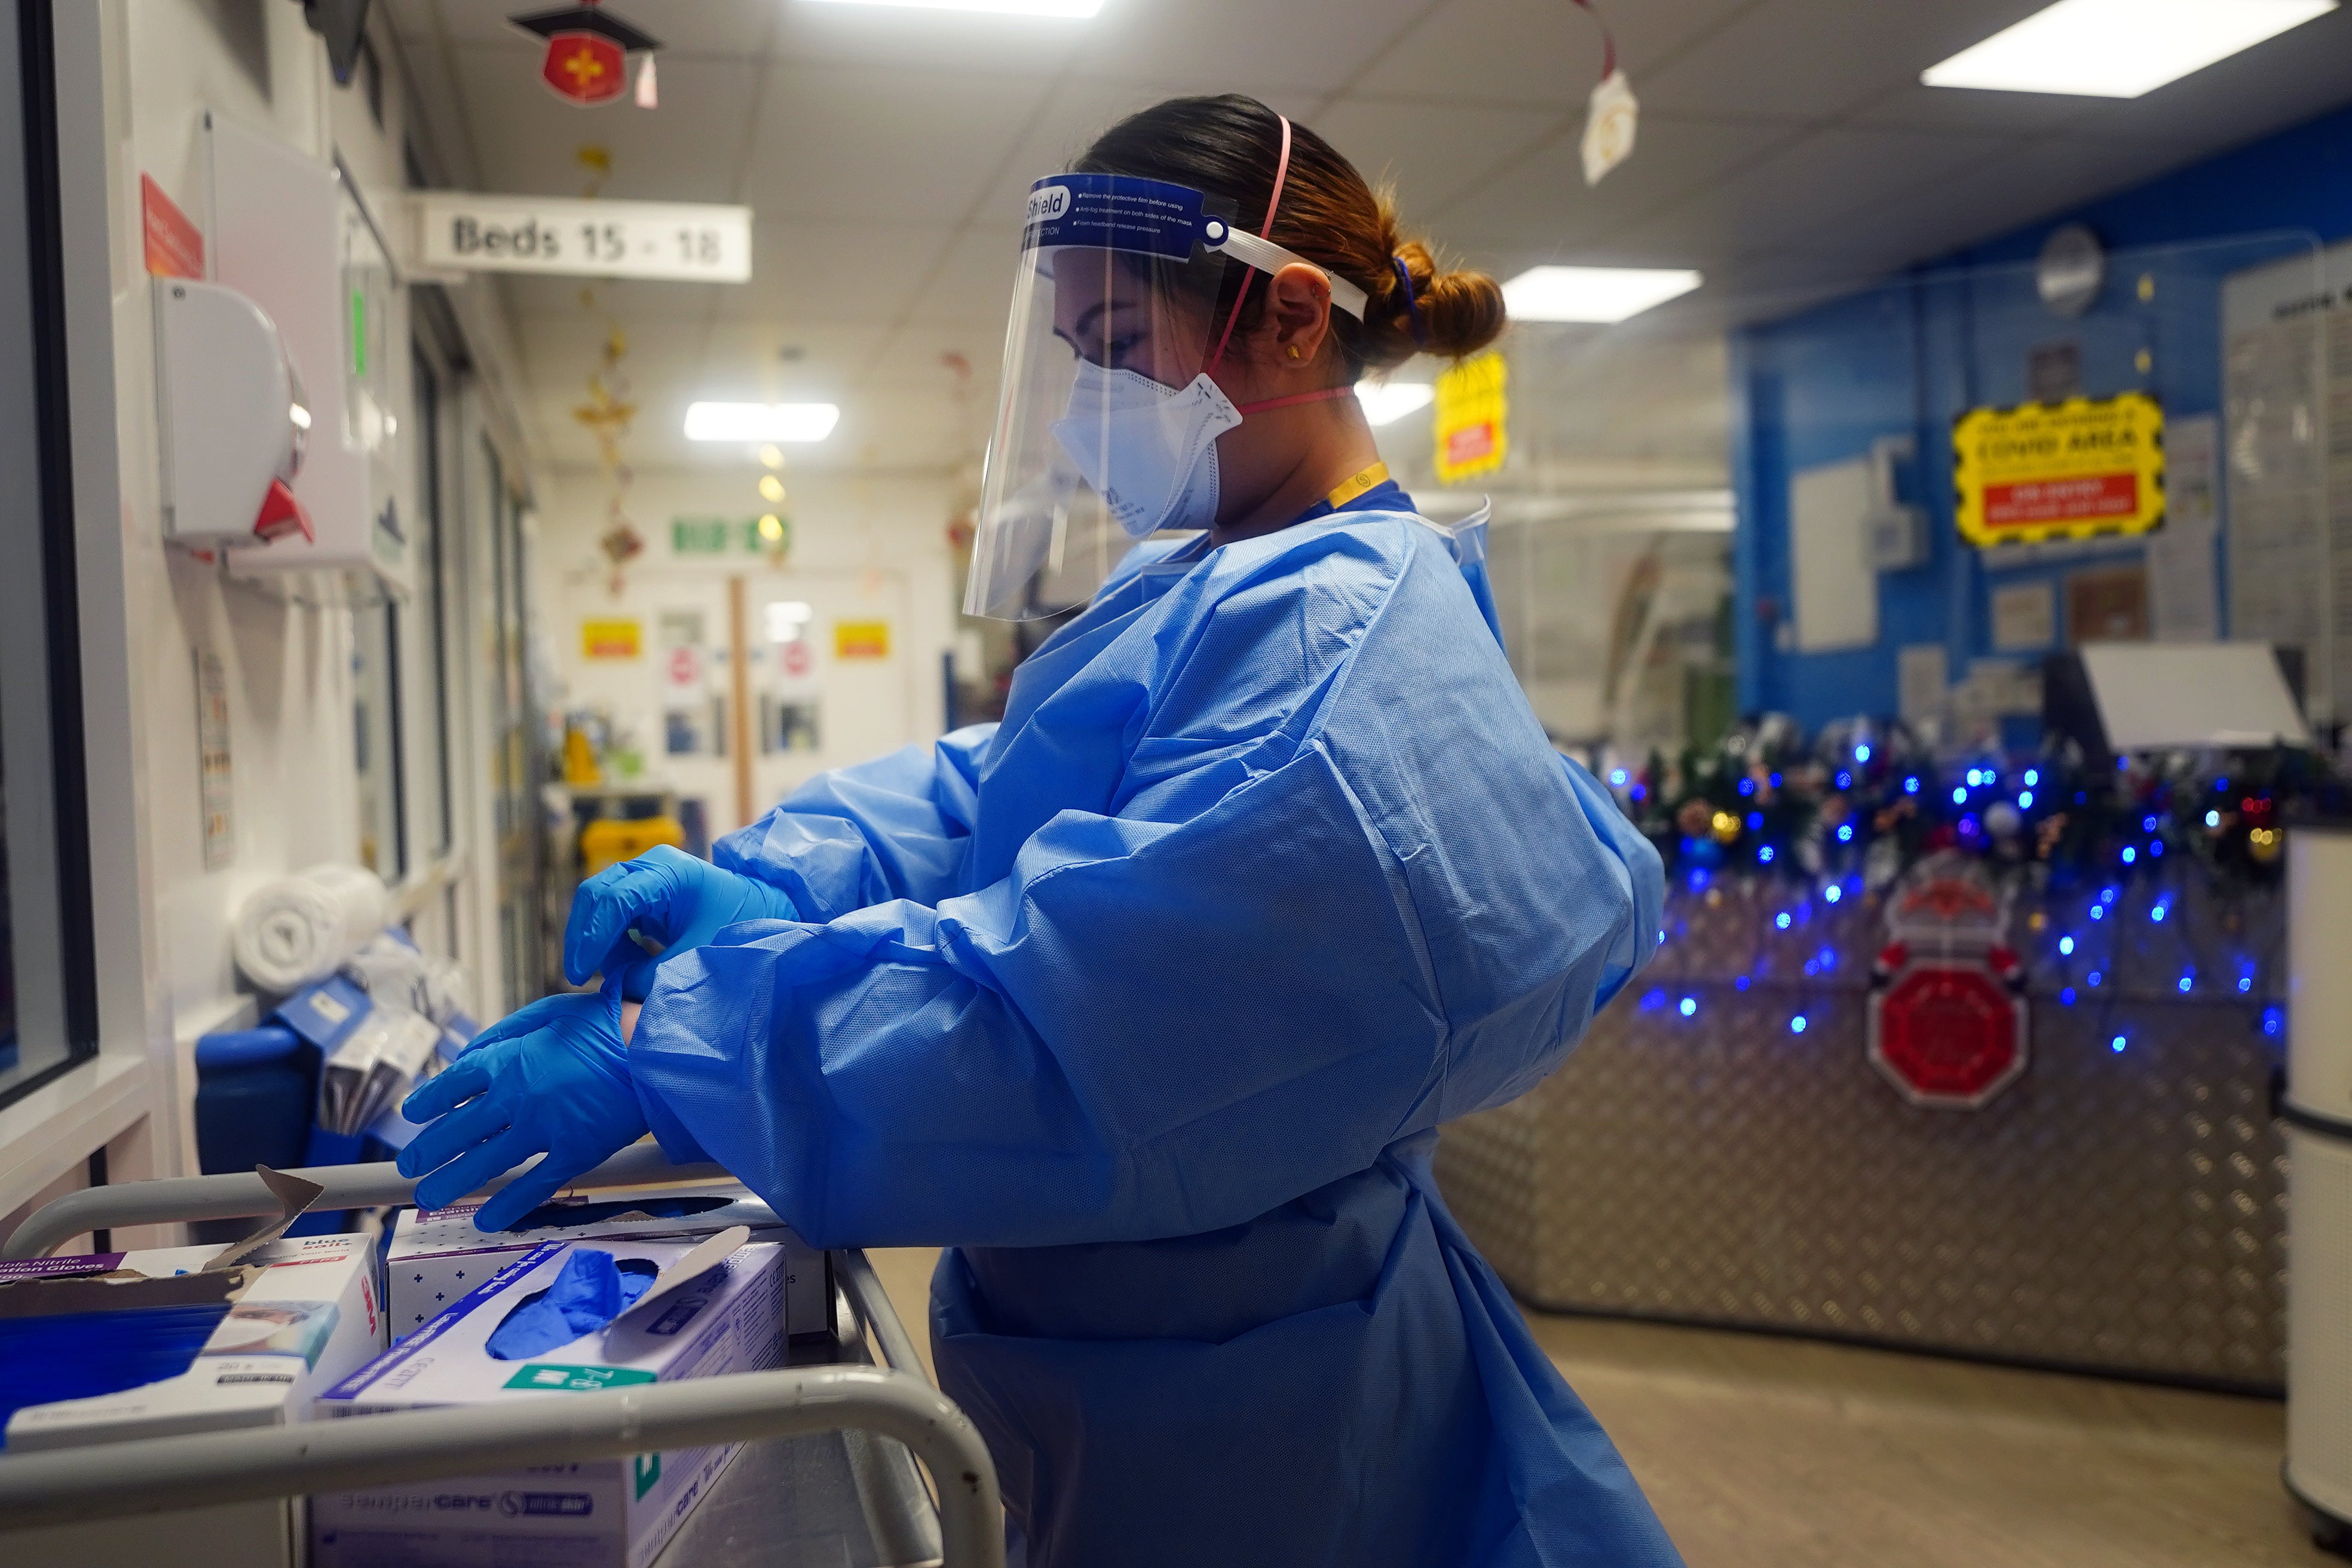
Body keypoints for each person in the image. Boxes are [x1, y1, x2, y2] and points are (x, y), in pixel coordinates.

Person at [400, 94, 1679, 1568]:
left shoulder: (1336, 636)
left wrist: (680, 1041)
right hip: (1144, 1360)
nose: (1089, 408)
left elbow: (1069, 1032)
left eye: (1124, 351)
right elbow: (1003, 791)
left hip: (1257, 1420)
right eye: (1076, 358)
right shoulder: (1224, 573)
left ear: (1291, 320)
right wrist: (762, 883)